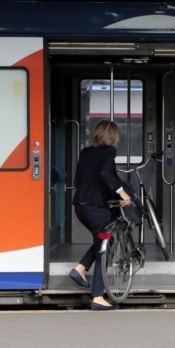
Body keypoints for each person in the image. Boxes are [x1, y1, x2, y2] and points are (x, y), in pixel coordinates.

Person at [70, 119, 132, 311]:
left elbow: (77, 179)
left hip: (80, 205)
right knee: (103, 248)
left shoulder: (86, 152)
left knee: (102, 241)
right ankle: (97, 297)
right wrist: (122, 193)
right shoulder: (108, 152)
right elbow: (106, 174)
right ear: (113, 136)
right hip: (96, 208)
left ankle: (80, 269)